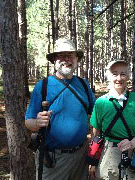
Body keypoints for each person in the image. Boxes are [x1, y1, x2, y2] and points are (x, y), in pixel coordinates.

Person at [25, 38, 95, 180]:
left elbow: (94, 118)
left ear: (76, 58)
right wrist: (37, 123)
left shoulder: (83, 84)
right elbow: (28, 122)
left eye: (70, 55)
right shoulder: (42, 86)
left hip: (81, 156)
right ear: (54, 60)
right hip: (53, 159)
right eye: (61, 55)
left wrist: (92, 153)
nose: (66, 59)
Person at [89, 59, 135, 180]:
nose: (119, 78)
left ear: (127, 76)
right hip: (108, 152)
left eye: (123, 74)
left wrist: (132, 143)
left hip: (133, 151)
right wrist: (93, 162)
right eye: (115, 74)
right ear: (109, 76)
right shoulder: (101, 102)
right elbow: (95, 133)